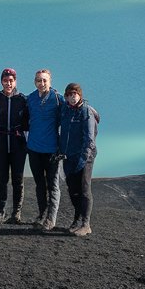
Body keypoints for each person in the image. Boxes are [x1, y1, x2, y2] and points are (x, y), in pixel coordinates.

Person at [0, 67, 29, 223]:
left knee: (18, 180)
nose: (8, 83)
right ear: (1, 81)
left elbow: (29, 122)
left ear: (15, 81)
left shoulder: (23, 100)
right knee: (2, 179)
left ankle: (16, 212)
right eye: (5, 80)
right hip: (1, 144)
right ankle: (1, 211)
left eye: (11, 80)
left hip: (18, 145)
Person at [58, 82, 98, 236]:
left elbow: (89, 138)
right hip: (69, 156)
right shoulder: (66, 111)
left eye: (74, 94)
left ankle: (85, 224)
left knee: (84, 189)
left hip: (85, 157)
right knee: (73, 190)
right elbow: (63, 134)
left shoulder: (85, 112)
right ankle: (77, 219)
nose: (71, 97)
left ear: (80, 95)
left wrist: (84, 157)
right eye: (68, 95)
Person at [26, 68, 62, 230]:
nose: (41, 83)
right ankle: (41, 214)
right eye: (39, 80)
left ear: (50, 81)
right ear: (35, 82)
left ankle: (51, 218)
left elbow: (67, 118)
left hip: (52, 149)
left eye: (44, 80)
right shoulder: (31, 98)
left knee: (52, 184)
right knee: (39, 184)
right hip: (34, 148)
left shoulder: (58, 99)